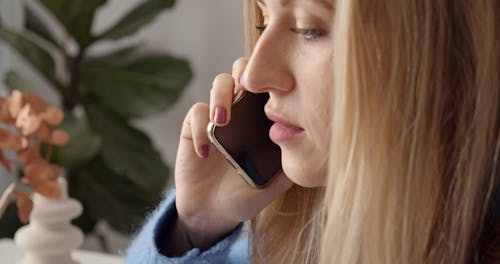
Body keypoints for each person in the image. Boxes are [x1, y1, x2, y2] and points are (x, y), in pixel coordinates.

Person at [126, 0, 499, 263]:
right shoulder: (295, 246)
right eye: (263, 20)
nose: (254, 75)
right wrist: (198, 224)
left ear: (441, 57)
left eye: (310, 29)